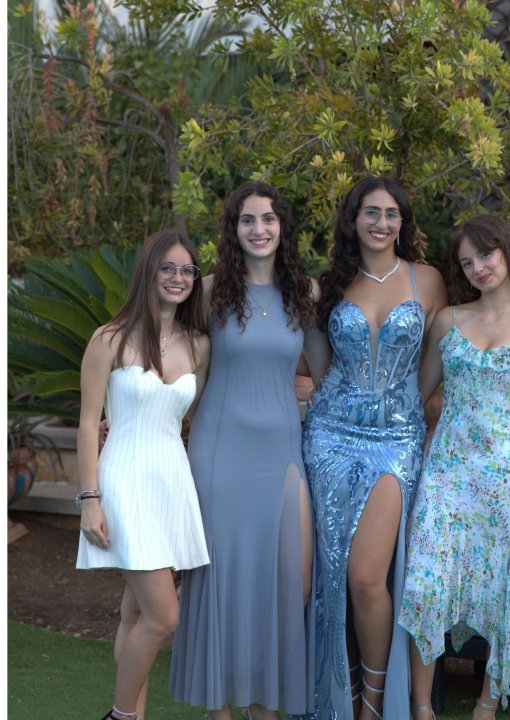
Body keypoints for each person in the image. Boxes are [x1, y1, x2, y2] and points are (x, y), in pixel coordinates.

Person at [398, 215, 510, 720]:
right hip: (445, 472)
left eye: (485, 255)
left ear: (507, 251)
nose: (478, 268)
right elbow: (416, 394)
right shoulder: (448, 320)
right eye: (467, 263)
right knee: (425, 582)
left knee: (501, 588)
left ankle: (485, 707)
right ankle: (422, 708)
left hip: (505, 477)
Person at [169, 181, 318, 720]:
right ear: (233, 230)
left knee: (290, 581)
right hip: (220, 452)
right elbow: (169, 351)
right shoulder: (209, 291)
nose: (259, 229)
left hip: (282, 453)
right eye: (248, 220)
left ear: (283, 227)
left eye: (269, 219)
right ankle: (220, 710)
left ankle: (264, 703)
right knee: (222, 579)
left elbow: (325, 369)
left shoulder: (306, 292)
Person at [302, 176, 448, 720]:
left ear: (403, 223)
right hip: (330, 438)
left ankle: (373, 702)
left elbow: (438, 363)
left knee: (367, 576)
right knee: (331, 576)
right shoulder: (328, 286)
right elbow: (318, 368)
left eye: (391, 214)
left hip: (397, 441)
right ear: (353, 219)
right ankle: (331, 696)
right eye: (371, 212)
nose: (382, 223)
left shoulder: (426, 281)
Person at [75, 229, 212, 720]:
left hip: (171, 485)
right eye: (167, 268)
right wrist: (90, 498)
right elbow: (87, 423)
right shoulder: (109, 338)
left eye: (187, 270)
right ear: (148, 271)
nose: (178, 278)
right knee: (163, 616)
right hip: (124, 482)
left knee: (135, 613)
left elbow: (193, 419)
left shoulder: (199, 345)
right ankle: (121, 715)